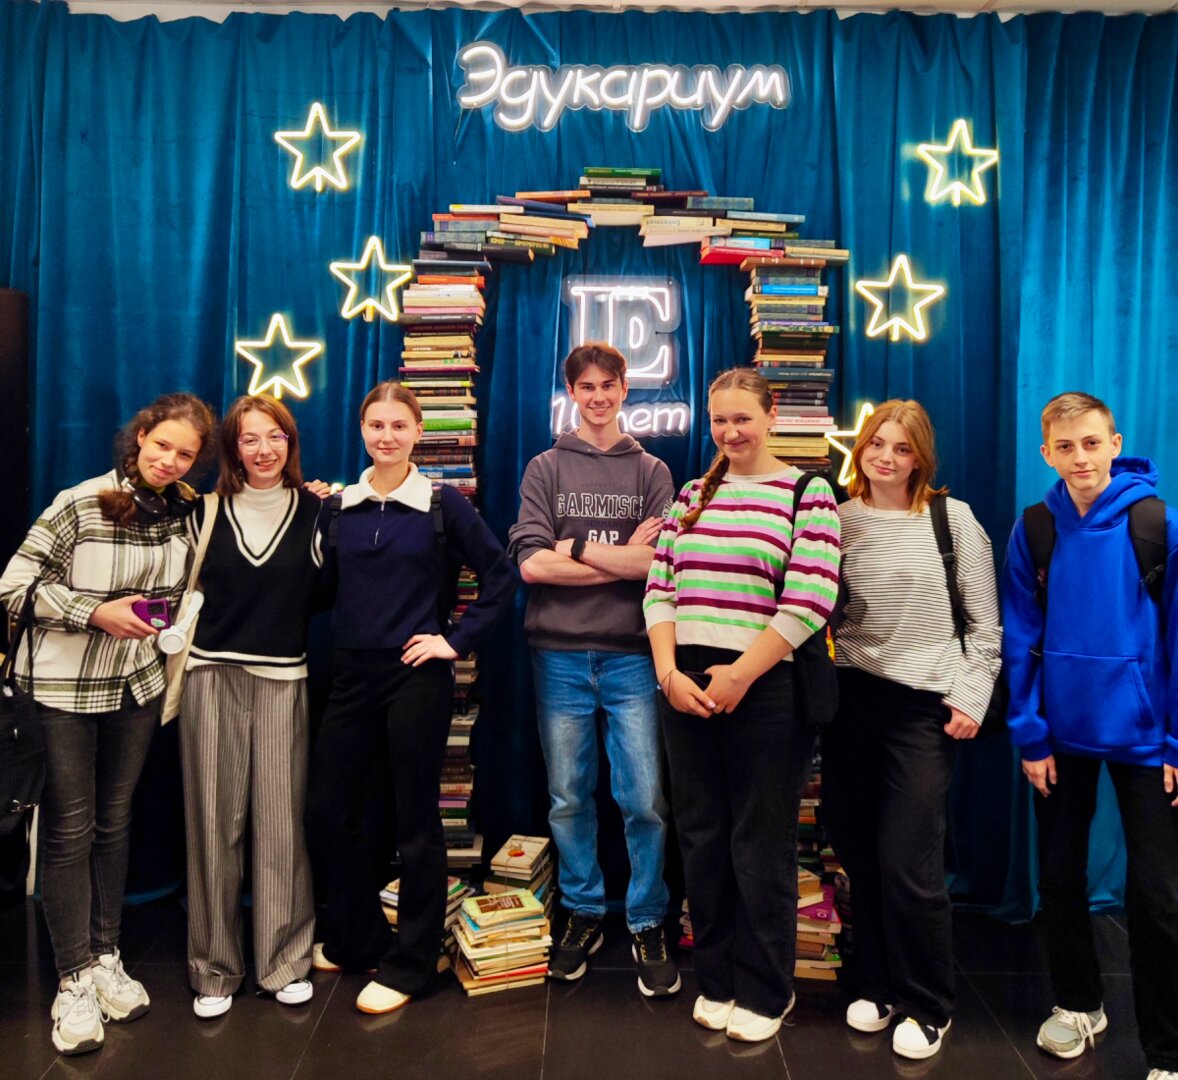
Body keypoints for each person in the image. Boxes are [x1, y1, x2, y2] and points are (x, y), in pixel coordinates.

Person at [0, 392, 215, 1056]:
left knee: (114, 824)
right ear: (140, 436)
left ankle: (103, 957)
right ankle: (71, 981)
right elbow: (12, 586)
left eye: (185, 454)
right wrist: (92, 612)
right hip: (64, 691)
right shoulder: (79, 503)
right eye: (163, 445)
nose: (169, 461)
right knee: (70, 830)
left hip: (135, 691)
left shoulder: (184, 513)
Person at [303, 380, 515, 1015]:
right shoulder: (338, 507)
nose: (387, 436)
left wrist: (455, 641)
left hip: (414, 677)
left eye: (399, 425)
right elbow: (317, 590)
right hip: (349, 675)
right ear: (361, 431)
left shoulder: (442, 504)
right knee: (329, 810)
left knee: (414, 821)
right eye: (376, 425)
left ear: (418, 432)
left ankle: (411, 964)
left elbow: (501, 576)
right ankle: (358, 939)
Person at [644, 367, 840, 1042]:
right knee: (701, 836)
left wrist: (741, 674)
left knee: (760, 840)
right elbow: (659, 588)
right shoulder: (692, 495)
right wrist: (668, 673)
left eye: (742, 418)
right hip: (685, 684)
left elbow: (811, 597)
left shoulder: (808, 493)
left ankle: (766, 988)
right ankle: (718, 976)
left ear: (771, 414)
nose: (730, 432)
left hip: (765, 687)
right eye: (720, 420)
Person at [1002, 392, 1178, 1080]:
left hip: (1147, 740)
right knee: (1059, 879)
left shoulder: (1157, 523)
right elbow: (1020, 635)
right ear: (1046, 452)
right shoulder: (1035, 528)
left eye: (1092, 443)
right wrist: (1030, 734)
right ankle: (1079, 1004)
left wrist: (1175, 743)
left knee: (1159, 897)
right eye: (1066, 446)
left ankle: (1168, 1048)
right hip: (1059, 737)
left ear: (1115, 443)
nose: (1081, 457)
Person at [821, 399, 1001, 1061]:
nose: (886, 457)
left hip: (923, 707)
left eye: (901, 448)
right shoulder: (837, 521)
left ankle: (928, 1003)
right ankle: (875, 984)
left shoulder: (953, 520)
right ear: (861, 449)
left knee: (909, 863)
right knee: (859, 853)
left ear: (921, 457)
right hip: (851, 700)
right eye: (876, 444)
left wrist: (971, 698)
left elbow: (986, 628)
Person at [507, 342, 679, 996]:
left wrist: (573, 547)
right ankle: (581, 911)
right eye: (587, 386)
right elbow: (532, 566)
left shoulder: (653, 471)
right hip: (558, 656)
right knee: (569, 797)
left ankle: (646, 917)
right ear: (572, 392)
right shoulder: (545, 467)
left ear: (625, 389)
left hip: (634, 655)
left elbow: (657, 564)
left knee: (644, 800)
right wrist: (616, 556)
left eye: (610, 385)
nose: (599, 396)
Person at [179, 394, 325, 1019]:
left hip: (283, 680)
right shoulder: (202, 513)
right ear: (232, 449)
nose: (264, 450)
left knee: (280, 824)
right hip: (209, 677)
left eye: (275, 437)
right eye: (249, 439)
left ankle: (283, 962)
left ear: (291, 443)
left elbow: (329, 594)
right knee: (213, 825)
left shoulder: (318, 513)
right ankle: (214, 970)